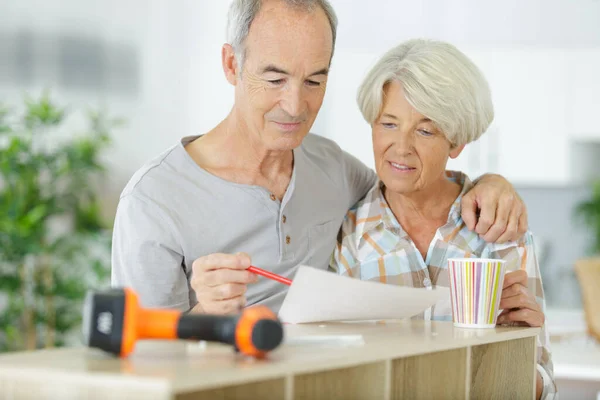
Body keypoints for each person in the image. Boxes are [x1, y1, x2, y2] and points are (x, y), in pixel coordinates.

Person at [111, 0, 528, 317]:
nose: (295, 106)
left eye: (314, 80)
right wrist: (203, 316)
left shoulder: (332, 168)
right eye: (275, 79)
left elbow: (409, 180)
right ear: (231, 64)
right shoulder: (154, 201)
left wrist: (492, 183)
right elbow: (141, 365)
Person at [329, 39, 555, 399]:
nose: (400, 147)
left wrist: (515, 351)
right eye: (389, 123)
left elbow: (543, 382)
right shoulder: (348, 234)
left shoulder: (498, 228)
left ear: (456, 141)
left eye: (425, 130)